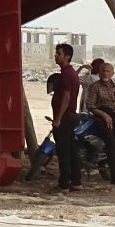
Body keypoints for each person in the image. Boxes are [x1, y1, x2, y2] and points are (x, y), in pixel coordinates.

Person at [49, 42, 82, 190]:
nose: (56, 56)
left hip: (65, 118)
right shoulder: (70, 73)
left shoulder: (67, 74)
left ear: (67, 57)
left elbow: (67, 97)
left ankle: (64, 184)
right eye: (56, 53)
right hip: (70, 117)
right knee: (71, 150)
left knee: (63, 152)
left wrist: (58, 119)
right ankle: (76, 181)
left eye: (59, 54)